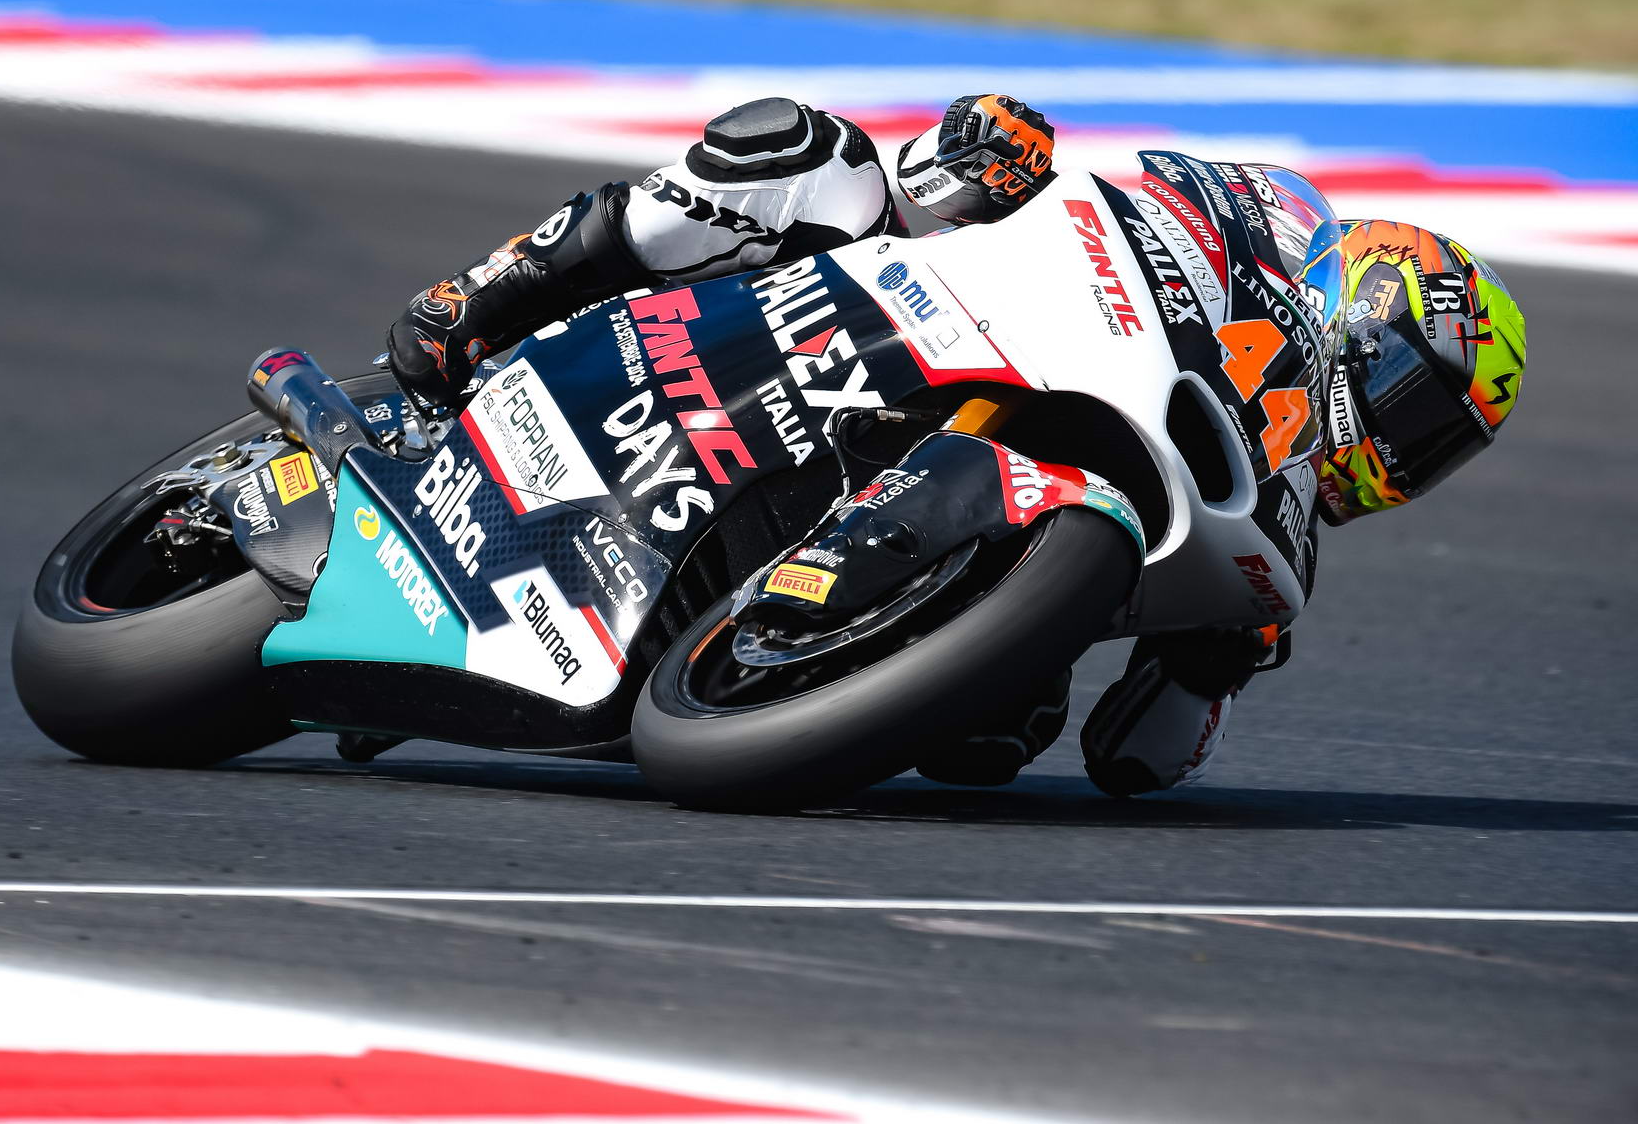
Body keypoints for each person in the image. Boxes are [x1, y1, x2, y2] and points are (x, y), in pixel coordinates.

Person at [383, 95, 1527, 796]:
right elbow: (978, 178)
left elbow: (1135, 760)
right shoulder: (1244, 243)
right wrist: (990, 156)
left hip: (952, 560)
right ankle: (489, 294)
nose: (1404, 455)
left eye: (1436, 453)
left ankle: (775, 642)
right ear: (1360, 315)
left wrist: (1220, 661)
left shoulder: (1278, 548)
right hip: (880, 334)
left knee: (996, 739)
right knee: (806, 153)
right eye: (1414, 412)